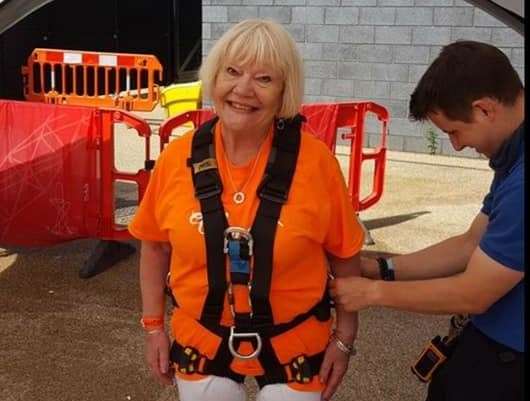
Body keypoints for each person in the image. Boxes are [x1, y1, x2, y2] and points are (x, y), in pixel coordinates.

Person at [129, 19, 364, 401]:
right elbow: (154, 247)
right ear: (213, 77)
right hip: (202, 338)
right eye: (232, 72)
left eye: (264, 79)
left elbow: (345, 255)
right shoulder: (178, 157)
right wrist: (154, 326)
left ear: (284, 91)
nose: (243, 89)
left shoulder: (315, 163)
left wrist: (345, 339)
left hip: (295, 342)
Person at [330, 40, 524, 401]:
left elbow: (474, 292)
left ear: (484, 109)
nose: (456, 146)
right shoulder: (513, 155)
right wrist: (380, 268)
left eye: (454, 131)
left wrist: (372, 293)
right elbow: (470, 244)